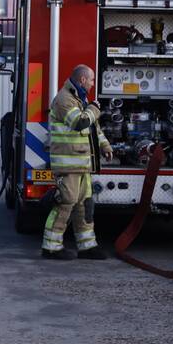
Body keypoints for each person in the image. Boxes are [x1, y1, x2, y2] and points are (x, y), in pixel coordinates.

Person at [42, 64, 113, 260]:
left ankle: (87, 246)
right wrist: (94, 109)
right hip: (68, 165)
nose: (92, 84)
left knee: (84, 205)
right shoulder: (64, 100)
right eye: (91, 80)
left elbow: (93, 129)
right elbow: (80, 122)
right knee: (65, 203)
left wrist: (105, 146)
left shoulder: (79, 99)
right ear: (82, 80)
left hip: (83, 164)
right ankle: (51, 247)